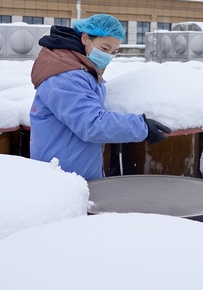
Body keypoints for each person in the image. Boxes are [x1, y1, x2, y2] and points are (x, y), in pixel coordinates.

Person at [29, 14, 171, 180]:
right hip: (63, 177)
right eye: (105, 48)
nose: (108, 56)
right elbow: (92, 124)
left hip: (74, 170)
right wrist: (142, 127)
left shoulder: (80, 69)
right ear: (85, 38)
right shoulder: (66, 77)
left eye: (114, 52)